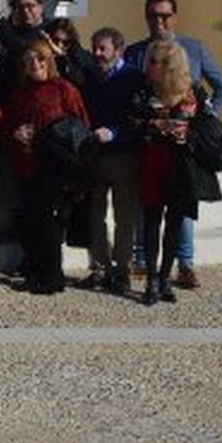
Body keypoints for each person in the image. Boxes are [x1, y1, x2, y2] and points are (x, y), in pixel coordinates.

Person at [122, 0, 222, 291]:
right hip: (150, 146)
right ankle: (143, 262)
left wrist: (204, 118)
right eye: (152, 15)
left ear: (175, 16)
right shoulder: (135, 53)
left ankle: (184, 265)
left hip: (184, 150)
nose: (159, 21)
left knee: (180, 211)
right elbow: (131, 99)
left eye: (165, 15)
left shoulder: (194, 48)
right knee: (148, 209)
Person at [131, 39, 218, 306]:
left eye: (157, 62)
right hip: (152, 161)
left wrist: (187, 133)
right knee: (152, 220)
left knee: (175, 223)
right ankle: (152, 280)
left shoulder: (193, 92)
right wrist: (154, 126)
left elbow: (209, 126)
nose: (150, 66)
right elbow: (132, 121)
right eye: (151, 60)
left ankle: (165, 277)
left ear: (171, 65)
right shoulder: (144, 90)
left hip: (181, 165)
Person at [3, 38, 90, 295]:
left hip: (55, 168)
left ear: (49, 61)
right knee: (31, 221)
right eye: (29, 60)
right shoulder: (21, 93)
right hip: (26, 164)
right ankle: (36, 273)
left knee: (48, 223)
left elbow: (81, 126)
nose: (35, 64)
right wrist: (15, 133)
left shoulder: (64, 89)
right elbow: (8, 125)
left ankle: (53, 277)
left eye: (40, 58)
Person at [79, 26, 143, 295]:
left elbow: (138, 117)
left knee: (124, 216)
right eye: (94, 48)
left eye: (102, 49)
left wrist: (115, 132)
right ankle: (100, 268)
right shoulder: (89, 76)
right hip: (95, 155)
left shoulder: (133, 77)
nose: (97, 54)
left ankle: (121, 270)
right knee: (95, 214)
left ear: (118, 50)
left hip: (123, 155)